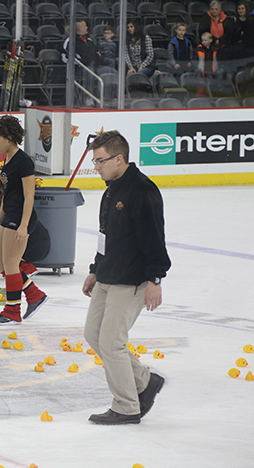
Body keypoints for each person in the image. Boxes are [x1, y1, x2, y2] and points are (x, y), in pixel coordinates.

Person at [82, 130, 170, 425]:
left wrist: (155, 279)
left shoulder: (142, 191)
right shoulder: (111, 189)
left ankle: (126, 406)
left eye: (101, 161)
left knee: (111, 342)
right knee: (93, 334)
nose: (97, 167)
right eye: (95, 161)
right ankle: (145, 380)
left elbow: (154, 238)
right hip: (107, 274)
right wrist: (95, 269)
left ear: (119, 159)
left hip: (132, 279)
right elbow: (105, 234)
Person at [0, 115, 48, 325]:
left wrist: (23, 225)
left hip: (21, 217)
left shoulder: (23, 161)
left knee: (11, 264)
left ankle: (12, 311)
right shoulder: (7, 162)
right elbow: (7, 194)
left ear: (9, 138)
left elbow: (29, 195)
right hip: (9, 215)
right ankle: (34, 294)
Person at [0, 163, 50, 316]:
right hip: (24, 232)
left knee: (7, 262)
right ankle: (33, 295)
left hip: (31, 239)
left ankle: (15, 308)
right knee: (0, 261)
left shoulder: (4, 193)